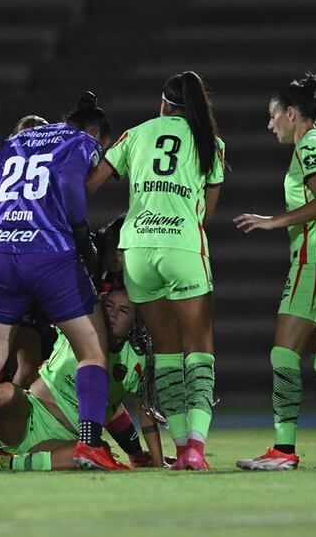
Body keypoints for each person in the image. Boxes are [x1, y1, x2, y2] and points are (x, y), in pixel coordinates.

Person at [0, 92, 118, 472]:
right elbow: (71, 182)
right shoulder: (82, 140)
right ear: (97, 134)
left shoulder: (17, 140)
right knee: (92, 350)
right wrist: (81, 235)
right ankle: (90, 446)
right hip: (49, 253)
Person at [87, 71, 226, 470]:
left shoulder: (135, 134)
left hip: (138, 250)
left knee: (164, 350)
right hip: (182, 245)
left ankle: (180, 448)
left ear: (163, 104)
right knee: (199, 347)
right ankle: (195, 448)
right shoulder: (210, 143)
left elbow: (89, 185)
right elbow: (207, 213)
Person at [234, 73, 316, 470]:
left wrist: (271, 221)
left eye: (273, 115)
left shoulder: (309, 145)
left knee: (283, 354)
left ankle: (284, 451)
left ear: (291, 113)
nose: (270, 124)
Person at [0, 288, 163, 472]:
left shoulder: (138, 360)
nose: (112, 314)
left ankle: (2, 463)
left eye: (123, 310)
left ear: (135, 322)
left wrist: (155, 459)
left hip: (64, 442)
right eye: (109, 306)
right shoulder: (79, 327)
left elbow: (140, 409)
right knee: (5, 392)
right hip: (25, 420)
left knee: (94, 452)